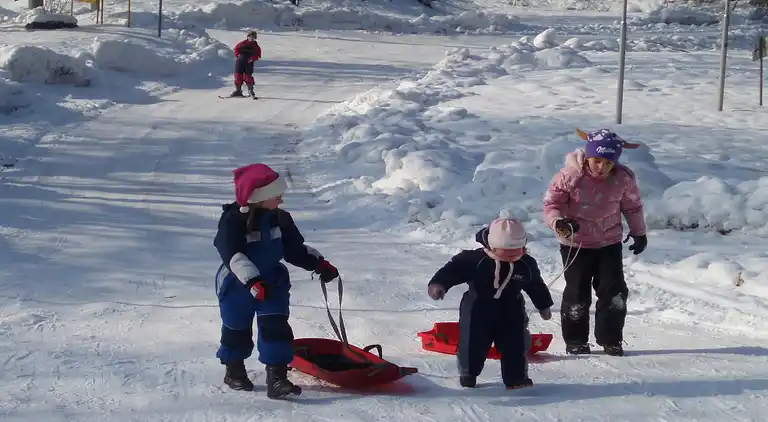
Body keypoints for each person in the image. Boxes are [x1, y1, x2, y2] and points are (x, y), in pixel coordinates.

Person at [213, 163, 340, 398]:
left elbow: (294, 250)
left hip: (272, 283)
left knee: (276, 328)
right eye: (276, 195)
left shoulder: (281, 219)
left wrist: (319, 264)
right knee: (236, 329)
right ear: (258, 197)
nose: (281, 200)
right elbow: (232, 254)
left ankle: (278, 379)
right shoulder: (233, 220)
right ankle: (234, 371)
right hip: (237, 285)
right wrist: (251, 281)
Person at [542, 128, 647, 357]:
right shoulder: (569, 176)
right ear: (588, 156)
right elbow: (551, 205)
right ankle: (576, 339)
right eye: (596, 161)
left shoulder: (623, 178)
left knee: (614, 291)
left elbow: (632, 206)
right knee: (577, 293)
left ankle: (611, 338)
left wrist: (639, 232)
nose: (601, 167)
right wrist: (559, 222)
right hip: (575, 243)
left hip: (609, 242)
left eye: (607, 163)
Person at [426, 218, 554, 390]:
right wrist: (439, 284)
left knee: (515, 344)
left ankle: (516, 378)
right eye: (507, 251)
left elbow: (536, 285)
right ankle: (468, 372)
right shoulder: (474, 260)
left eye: (518, 249)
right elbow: (452, 270)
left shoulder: (526, 264)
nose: (513, 254)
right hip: (477, 308)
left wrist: (543, 305)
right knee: (473, 343)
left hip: (512, 309)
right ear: (492, 245)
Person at [230, 30, 262, 98]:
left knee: (248, 77)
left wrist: (252, 58)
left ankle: (250, 90)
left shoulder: (256, 47)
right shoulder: (242, 44)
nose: (251, 38)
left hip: (249, 63)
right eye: (250, 36)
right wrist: (237, 55)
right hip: (240, 61)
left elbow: (258, 55)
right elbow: (236, 49)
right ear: (247, 37)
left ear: (255, 38)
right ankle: (238, 90)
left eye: (253, 37)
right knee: (238, 75)